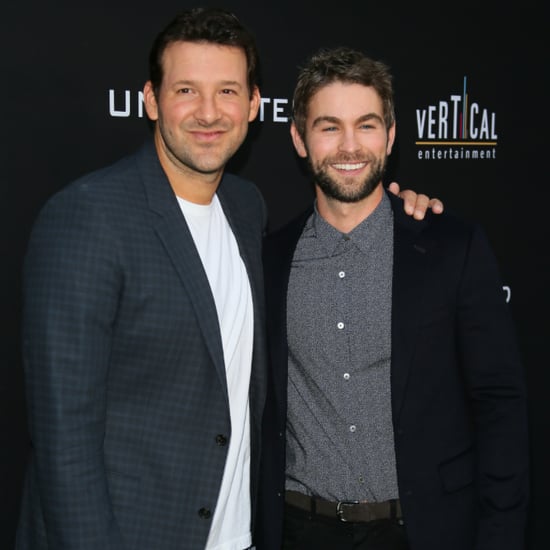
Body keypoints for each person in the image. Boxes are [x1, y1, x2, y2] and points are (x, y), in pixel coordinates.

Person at [14, 9, 442, 550]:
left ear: (254, 105)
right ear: (150, 99)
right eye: (187, 90)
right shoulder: (87, 217)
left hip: (237, 536)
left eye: (228, 91)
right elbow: (62, 441)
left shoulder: (245, 208)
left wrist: (400, 210)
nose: (209, 113)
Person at [257, 47, 529, 550]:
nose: (349, 145)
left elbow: (500, 407)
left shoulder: (452, 249)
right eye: (328, 126)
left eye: (366, 124)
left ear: (392, 134)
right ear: (299, 138)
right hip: (300, 531)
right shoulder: (269, 260)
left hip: (425, 531)